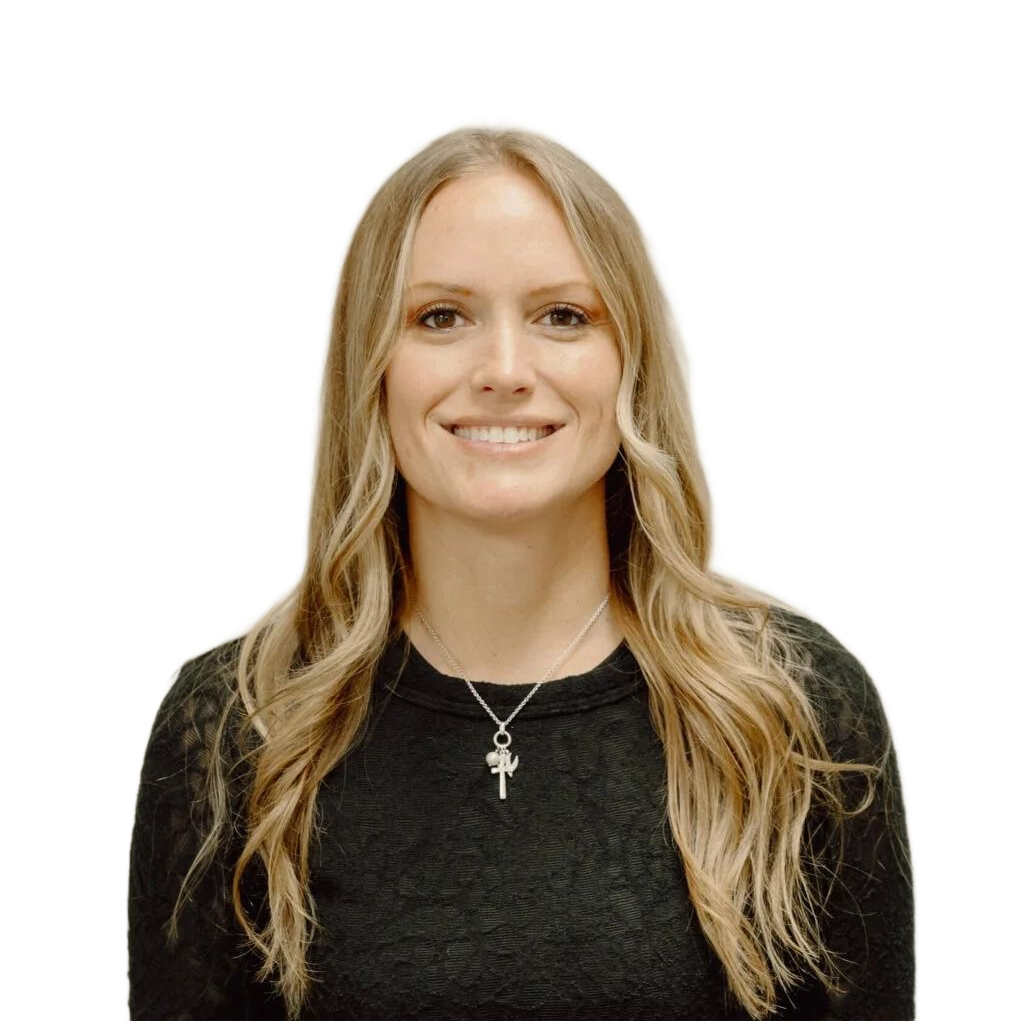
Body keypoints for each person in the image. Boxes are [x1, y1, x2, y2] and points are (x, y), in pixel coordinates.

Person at [125, 117, 918, 1020]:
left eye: (564, 316)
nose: (504, 369)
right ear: (371, 366)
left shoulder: (796, 707)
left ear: (632, 364)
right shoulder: (236, 719)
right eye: (441, 317)